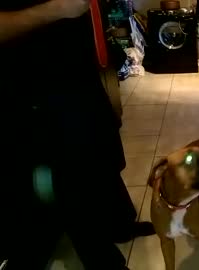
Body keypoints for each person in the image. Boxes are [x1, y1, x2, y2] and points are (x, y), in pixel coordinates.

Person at [0, 0, 154, 269]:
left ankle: (119, 225)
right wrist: (57, 9)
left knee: (105, 155)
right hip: (37, 90)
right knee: (72, 181)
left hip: (82, 77)